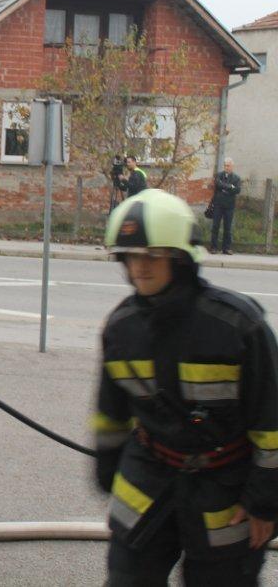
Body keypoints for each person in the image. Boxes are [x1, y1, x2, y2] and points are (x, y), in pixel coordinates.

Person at [94, 189, 278, 585]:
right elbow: (110, 414)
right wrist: (107, 467)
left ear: (180, 258)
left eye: (151, 255)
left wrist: (265, 503)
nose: (139, 267)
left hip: (225, 492)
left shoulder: (237, 327)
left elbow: (272, 423)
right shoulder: (121, 329)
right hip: (147, 482)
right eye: (129, 256)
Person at [210, 157, 241, 255]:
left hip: (229, 206)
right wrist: (230, 187)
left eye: (228, 166)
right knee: (215, 226)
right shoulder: (219, 175)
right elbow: (218, 184)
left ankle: (226, 248)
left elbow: (237, 190)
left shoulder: (236, 178)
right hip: (218, 205)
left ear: (232, 166)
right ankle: (213, 247)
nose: (226, 167)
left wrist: (225, 187)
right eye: (225, 165)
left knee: (227, 228)